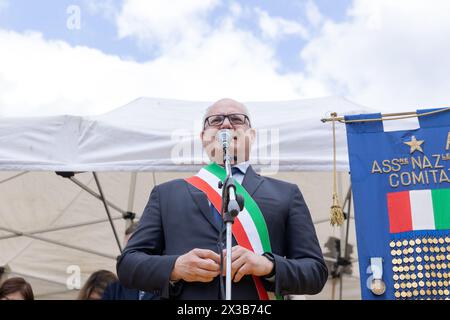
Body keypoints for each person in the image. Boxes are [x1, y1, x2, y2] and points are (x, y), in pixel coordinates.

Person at [117, 98, 328, 299]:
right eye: (215, 120)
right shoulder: (166, 194)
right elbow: (127, 265)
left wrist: (268, 266)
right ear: (203, 137)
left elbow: (315, 272)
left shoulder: (286, 194)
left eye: (237, 119)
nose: (226, 124)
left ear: (252, 135)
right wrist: (176, 267)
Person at [102, 222, 159, 300]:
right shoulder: (114, 290)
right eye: (126, 250)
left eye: (133, 250)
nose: (127, 256)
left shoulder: (170, 287)